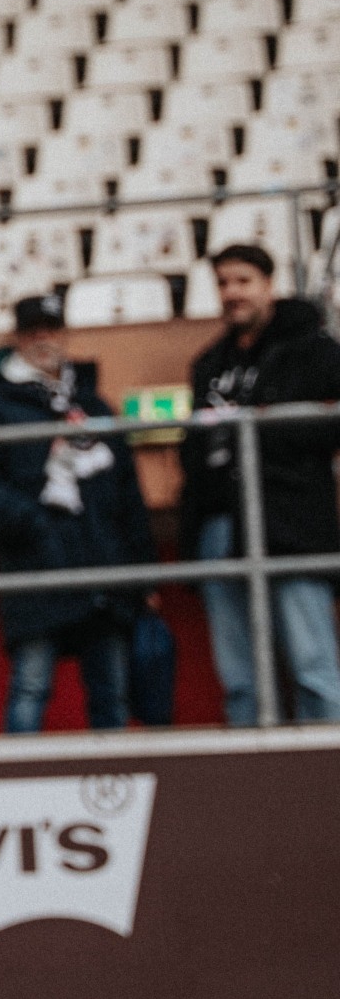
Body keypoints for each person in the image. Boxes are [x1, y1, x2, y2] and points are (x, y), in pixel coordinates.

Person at [0, 291, 157, 733]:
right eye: (32, 331)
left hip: (104, 570)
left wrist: (142, 573)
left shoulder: (94, 404)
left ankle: (113, 777)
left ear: (65, 335)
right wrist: (34, 523)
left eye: (51, 329)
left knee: (111, 694)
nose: (42, 339)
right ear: (16, 338)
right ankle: (19, 777)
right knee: (31, 687)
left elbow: (128, 494)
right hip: (37, 568)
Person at [177, 242, 340, 723]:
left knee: (313, 664)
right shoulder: (209, 363)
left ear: (270, 284)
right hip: (218, 523)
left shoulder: (313, 349)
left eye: (243, 281)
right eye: (223, 283)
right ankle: (253, 768)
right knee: (240, 676)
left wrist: (270, 430)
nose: (232, 292)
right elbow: (194, 446)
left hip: (289, 522)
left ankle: (327, 764)